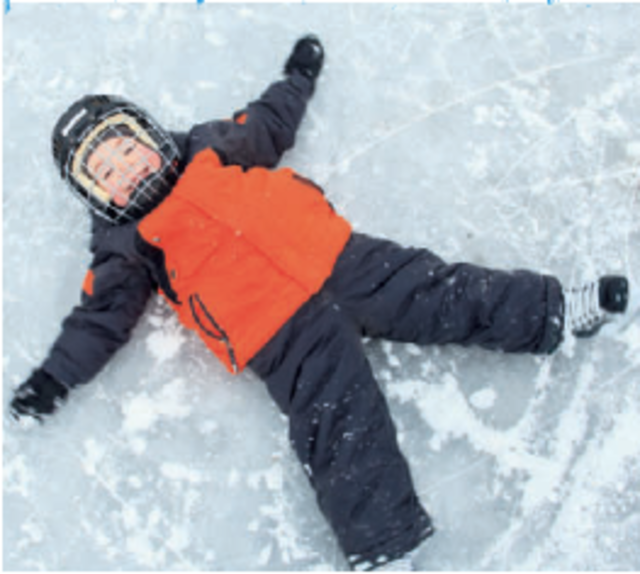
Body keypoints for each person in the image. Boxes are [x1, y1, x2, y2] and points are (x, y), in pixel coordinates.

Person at [8, 35, 630, 571]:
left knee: (445, 291)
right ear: (94, 195)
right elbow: (99, 319)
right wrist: (55, 378)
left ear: (146, 131)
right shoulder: (124, 247)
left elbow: (269, 125)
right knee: (339, 426)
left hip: (338, 257)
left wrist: (296, 77)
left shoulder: (207, 146)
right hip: (277, 333)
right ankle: (386, 547)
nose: (125, 168)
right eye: (104, 171)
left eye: (124, 147)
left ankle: (554, 311)